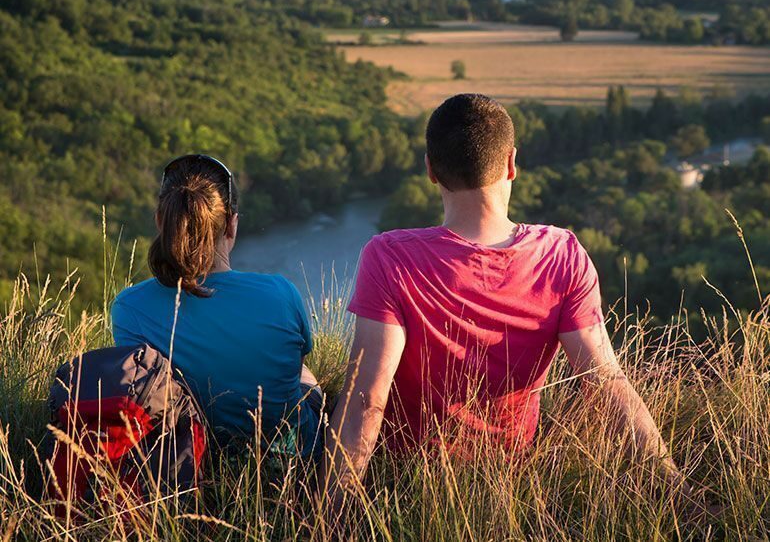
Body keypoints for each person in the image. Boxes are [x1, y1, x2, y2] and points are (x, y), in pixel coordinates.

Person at [325, 93, 697, 507]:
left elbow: (367, 397)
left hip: (406, 486)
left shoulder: (389, 256)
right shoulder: (561, 254)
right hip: (508, 487)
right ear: (511, 164)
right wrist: (678, 493)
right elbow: (608, 385)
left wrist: (331, 515)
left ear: (430, 170)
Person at [111, 153, 323, 460]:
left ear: (161, 221)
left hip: (194, 461)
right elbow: (293, 366)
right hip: (288, 463)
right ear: (231, 225)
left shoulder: (128, 307)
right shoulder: (281, 293)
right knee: (305, 375)